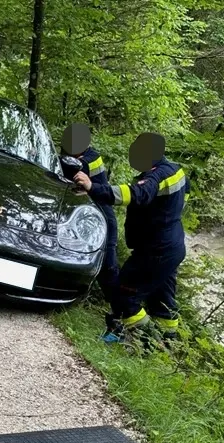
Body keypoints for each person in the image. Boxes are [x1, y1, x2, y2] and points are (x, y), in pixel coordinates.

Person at [73, 132, 188, 344]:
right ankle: (169, 343)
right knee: (162, 299)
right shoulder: (176, 171)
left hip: (155, 250)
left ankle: (145, 342)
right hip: (173, 247)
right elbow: (183, 197)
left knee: (123, 293)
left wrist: (92, 187)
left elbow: (135, 194)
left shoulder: (156, 176)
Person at [60, 123, 120, 335]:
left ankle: (120, 316)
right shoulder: (75, 156)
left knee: (108, 270)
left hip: (101, 218)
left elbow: (66, 172)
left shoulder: (89, 159)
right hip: (85, 218)